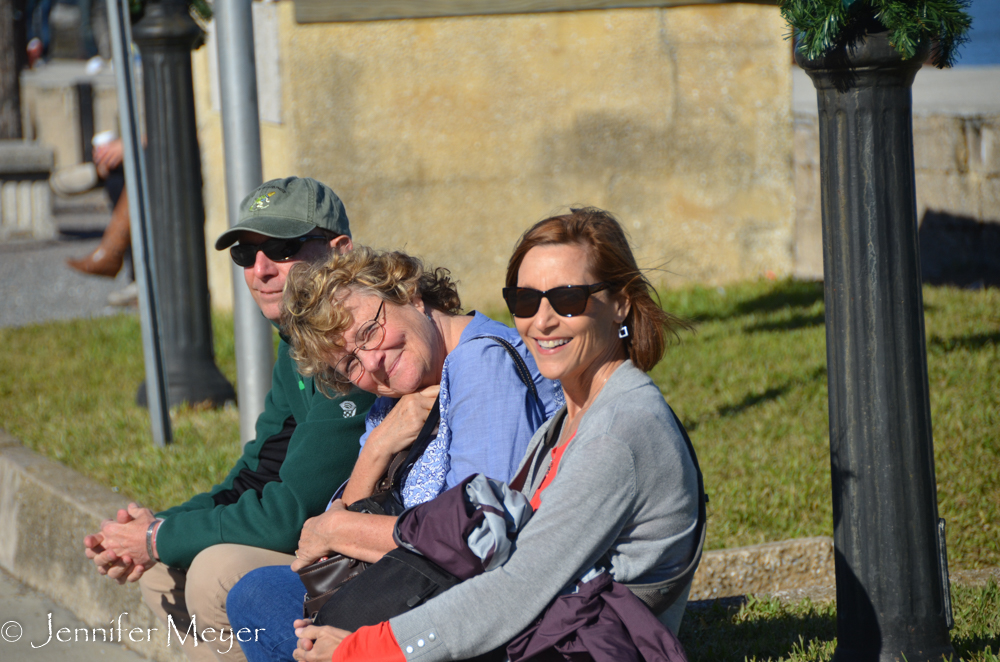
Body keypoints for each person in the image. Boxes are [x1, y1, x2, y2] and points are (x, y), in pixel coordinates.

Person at [291, 207, 702, 662]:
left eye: (567, 298)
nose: (541, 322)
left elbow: (515, 587)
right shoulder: (566, 423)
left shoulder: (617, 431)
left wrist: (366, 647)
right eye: (525, 303)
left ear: (620, 302)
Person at [82, 177, 378, 662]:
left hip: (367, 556)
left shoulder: (359, 345)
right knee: (159, 576)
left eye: (282, 248)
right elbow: (257, 473)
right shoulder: (298, 344)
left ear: (339, 251)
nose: (260, 270)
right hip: (317, 541)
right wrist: (153, 529)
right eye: (245, 253)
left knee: (214, 572)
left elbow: (288, 518)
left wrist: (157, 538)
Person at [227, 246, 565, 662]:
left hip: (478, 614)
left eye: (369, 331)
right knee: (260, 595)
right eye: (350, 363)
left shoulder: (482, 365)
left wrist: (338, 530)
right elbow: (336, 536)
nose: (372, 363)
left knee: (265, 603)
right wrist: (378, 447)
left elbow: (472, 539)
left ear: (410, 294)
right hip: (410, 581)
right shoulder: (399, 395)